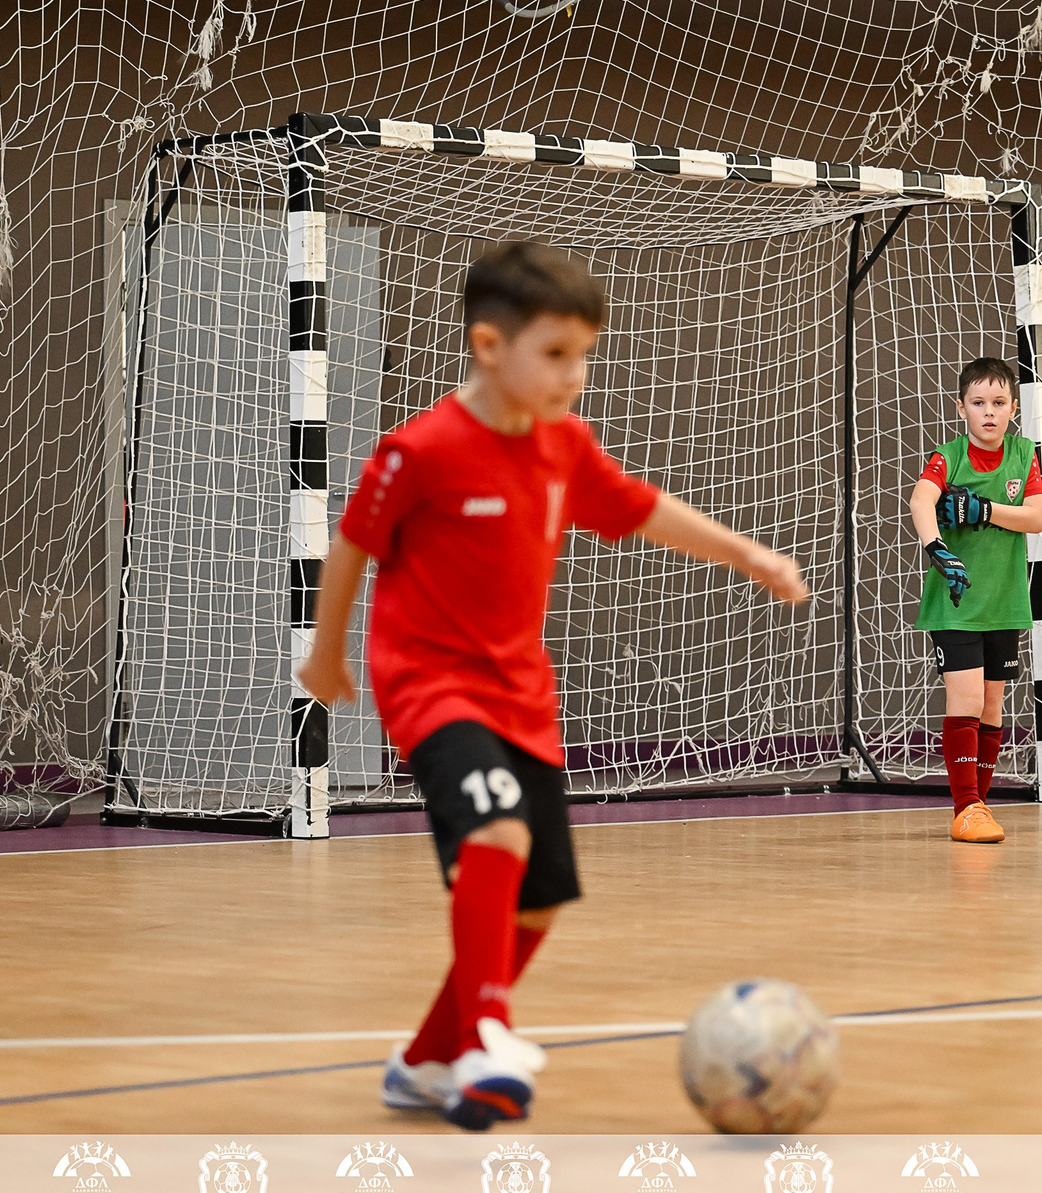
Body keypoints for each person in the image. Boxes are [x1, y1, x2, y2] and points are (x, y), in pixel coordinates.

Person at [296, 241, 808, 1129]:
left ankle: (424, 1060)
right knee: (496, 833)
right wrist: (326, 653)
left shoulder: (564, 445)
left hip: (522, 696)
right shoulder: (421, 450)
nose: (576, 375)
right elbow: (352, 544)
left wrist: (747, 554)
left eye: (585, 356)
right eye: (557, 353)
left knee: (535, 906)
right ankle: (485, 1037)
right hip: (431, 686)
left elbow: (641, 508)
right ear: (490, 346)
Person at [908, 357, 1042, 843]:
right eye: (978, 402)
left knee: (992, 706)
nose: (989, 412)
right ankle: (966, 807)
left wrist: (984, 509)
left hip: (1004, 601)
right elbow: (920, 501)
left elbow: (1036, 518)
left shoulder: (1024, 454)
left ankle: (979, 807)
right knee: (966, 699)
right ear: (961, 407)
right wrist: (937, 548)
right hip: (957, 601)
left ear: (1013, 409)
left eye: (998, 402)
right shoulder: (948, 457)